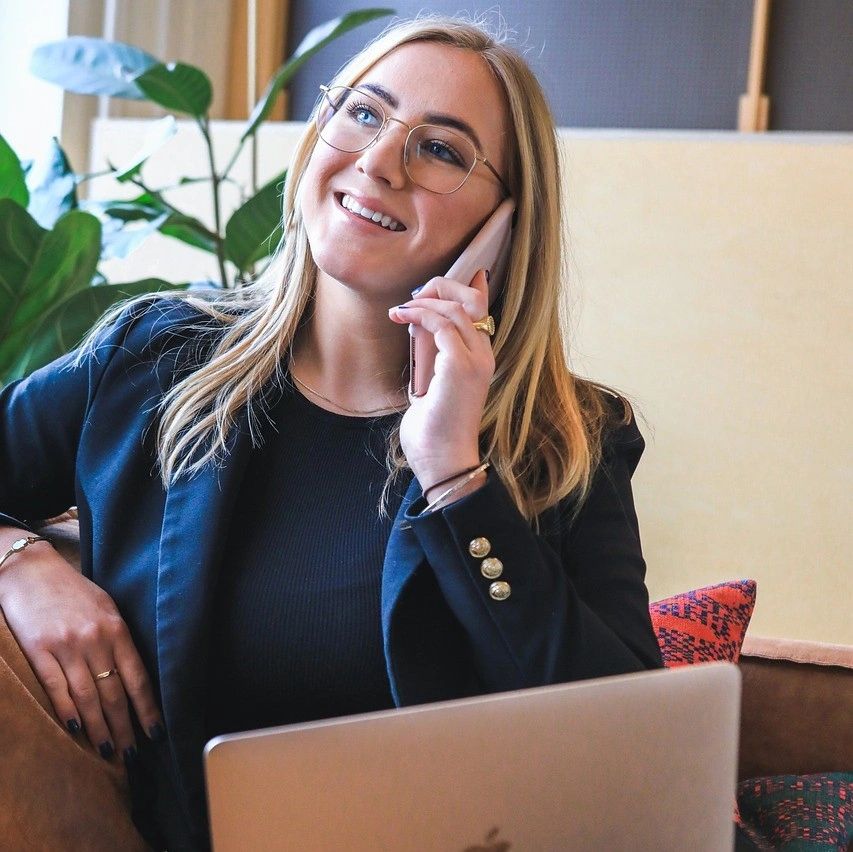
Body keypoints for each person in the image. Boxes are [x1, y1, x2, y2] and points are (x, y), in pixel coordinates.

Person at [0, 15, 663, 851]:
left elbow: (630, 744)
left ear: (500, 224)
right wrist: (18, 563)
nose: (380, 162)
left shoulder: (567, 437)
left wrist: (455, 475)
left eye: (442, 151)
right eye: (362, 114)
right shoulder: (153, 361)